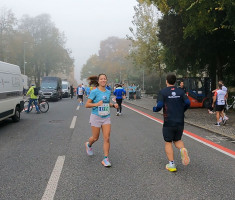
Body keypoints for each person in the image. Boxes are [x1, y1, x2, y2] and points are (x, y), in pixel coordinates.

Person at [153, 73, 191, 172]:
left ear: (166, 81)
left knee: (168, 142)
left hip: (169, 121)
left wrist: (155, 109)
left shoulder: (163, 92)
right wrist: (183, 110)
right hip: (180, 120)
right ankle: (182, 149)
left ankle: (172, 164)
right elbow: (188, 103)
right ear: (175, 81)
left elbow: (159, 105)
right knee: (177, 140)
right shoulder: (181, 91)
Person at [85, 74, 118, 167]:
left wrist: (113, 105)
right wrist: (96, 104)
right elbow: (87, 105)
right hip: (96, 117)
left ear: (106, 81)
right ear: (98, 81)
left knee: (107, 138)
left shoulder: (108, 92)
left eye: (104, 79)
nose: (103, 80)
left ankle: (106, 159)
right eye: (101, 79)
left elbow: (106, 103)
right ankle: (88, 144)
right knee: (95, 138)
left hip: (106, 117)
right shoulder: (94, 92)